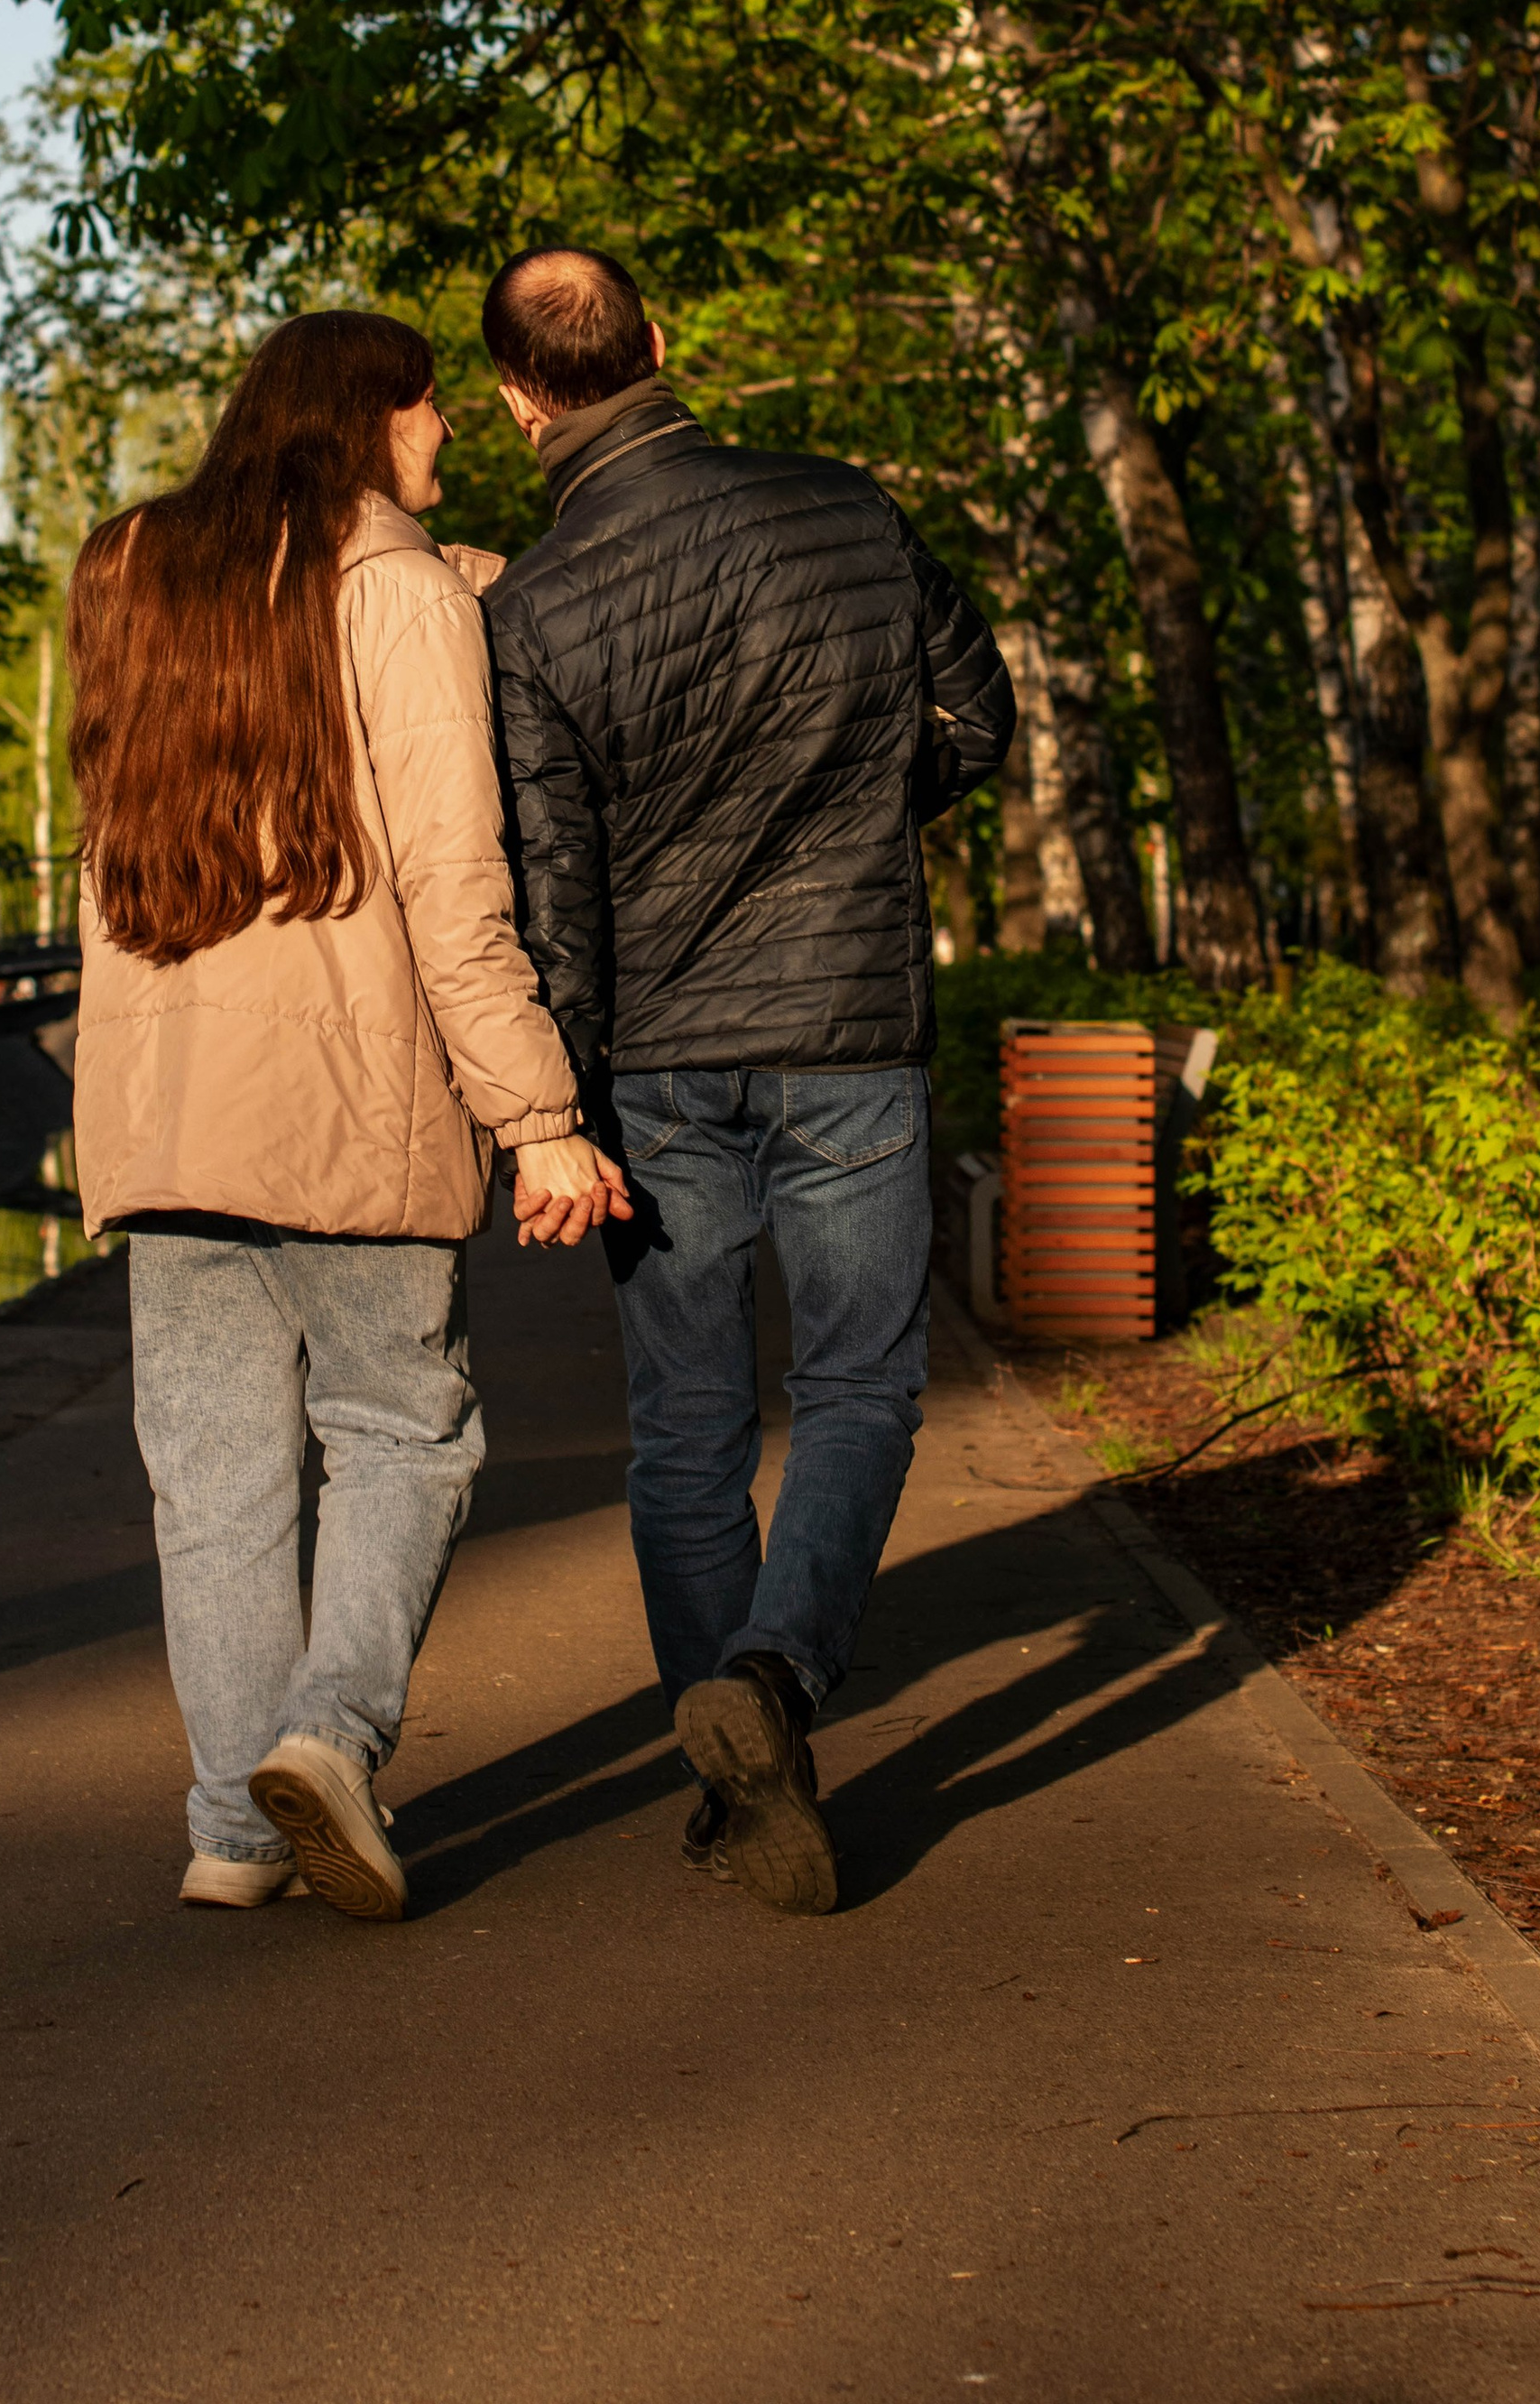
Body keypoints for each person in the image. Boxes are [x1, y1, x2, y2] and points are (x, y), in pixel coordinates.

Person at [67, 311, 628, 1925]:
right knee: (401, 1433)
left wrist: (456, 577)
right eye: (429, 405)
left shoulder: (132, 573)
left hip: (168, 1115)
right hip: (350, 1112)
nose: (446, 429)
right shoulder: (394, 592)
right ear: (371, 417)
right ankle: (328, 1737)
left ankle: (230, 1833)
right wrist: (537, 1113)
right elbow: (455, 886)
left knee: (214, 1480)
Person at [484, 248, 1013, 1917]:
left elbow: (556, 886)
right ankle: (776, 1679)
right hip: (848, 1024)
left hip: (654, 1060)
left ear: (516, 403)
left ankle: (736, 1771)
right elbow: (978, 720)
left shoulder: (530, 611)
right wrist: (856, 819)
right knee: (860, 1387)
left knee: (689, 1424)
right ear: (662, 342)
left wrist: (557, 1108)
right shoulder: (846, 508)